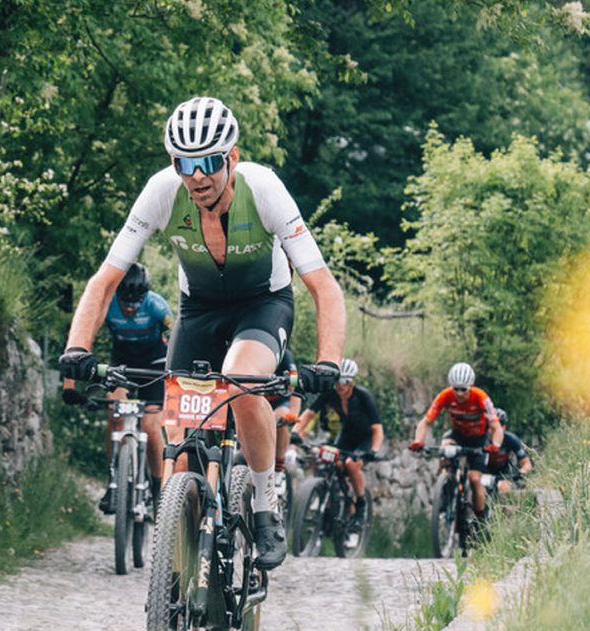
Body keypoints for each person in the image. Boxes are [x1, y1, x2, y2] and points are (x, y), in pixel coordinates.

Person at [57, 96, 352, 571]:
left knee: (239, 379)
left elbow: (325, 287)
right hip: (199, 311)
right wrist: (77, 348)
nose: (196, 176)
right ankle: (178, 559)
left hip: (263, 304)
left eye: (209, 162)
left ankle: (261, 503)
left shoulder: (265, 190)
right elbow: (105, 279)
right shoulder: (160, 193)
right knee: (180, 443)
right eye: (184, 163)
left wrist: (328, 362)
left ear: (232, 158)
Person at [62, 263, 172, 513]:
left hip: (155, 366)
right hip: (121, 364)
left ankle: (159, 489)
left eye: (136, 302)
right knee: (115, 416)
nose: (131, 307)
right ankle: (114, 481)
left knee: (150, 427)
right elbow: (82, 338)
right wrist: (69, 385)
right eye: (126, 302)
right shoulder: (108, 304)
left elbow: (178, 337)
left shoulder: (157, 305)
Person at [290, 358, 385, 548]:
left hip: (364, 439)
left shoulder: (363, 397)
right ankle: (329, 506)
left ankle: (360, 507)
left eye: (345, 382)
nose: (341, 386)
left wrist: (373, 450)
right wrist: (295, 433)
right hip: (346, 438)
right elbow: (309, 414)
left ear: (352, 382)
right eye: (338, 382)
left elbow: (377, 429)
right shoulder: (330, 394)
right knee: (328, 458)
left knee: (351, 464)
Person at [408, 362, 504, 521]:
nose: (459, 393)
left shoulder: (481, 397)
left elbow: (496, 426)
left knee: (474, 478)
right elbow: (426, 421)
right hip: (458, 434)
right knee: (445, 449)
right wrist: (418, 440)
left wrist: (495, 445)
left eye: (463, 389)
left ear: (470, 386)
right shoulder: (445, 395)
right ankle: (445, 490)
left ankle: (481, 518)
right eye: (456, 389)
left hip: (478, 439)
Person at [479, 408, 532, 495]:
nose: (491, 430)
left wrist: (522, 471)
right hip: (483, 472)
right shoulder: (481, 439)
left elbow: (526, 463)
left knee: (504, 488)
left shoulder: (511, 439)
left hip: (503, 473)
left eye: (496, 427)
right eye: (488, 426)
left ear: (503, 428)